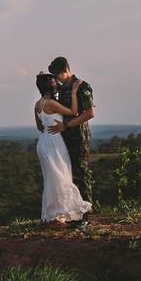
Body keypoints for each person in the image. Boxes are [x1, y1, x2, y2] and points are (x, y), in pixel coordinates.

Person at [34, 73, 92, 226]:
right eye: (54, 80)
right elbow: (74, 112)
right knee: (62, 176)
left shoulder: (37, 104)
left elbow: (40, 127)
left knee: (52, 179)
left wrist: (49, 124)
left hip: (43, 142)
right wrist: (73, 92)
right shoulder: (51, 104)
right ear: (50, 85)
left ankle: (52, 214)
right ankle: (64, 213)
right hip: (54, 142)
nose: (56, 82)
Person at [46, 56, 95, 227]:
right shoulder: (60, 89)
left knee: (81, 174)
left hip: (78, 136)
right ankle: (74, 212)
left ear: (66, 69)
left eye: (58, 74)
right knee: (68, 176)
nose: (57, 78)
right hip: (62, 137)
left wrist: (66, 125)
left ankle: (86, 215)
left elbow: (89, 113)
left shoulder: (82, 86)